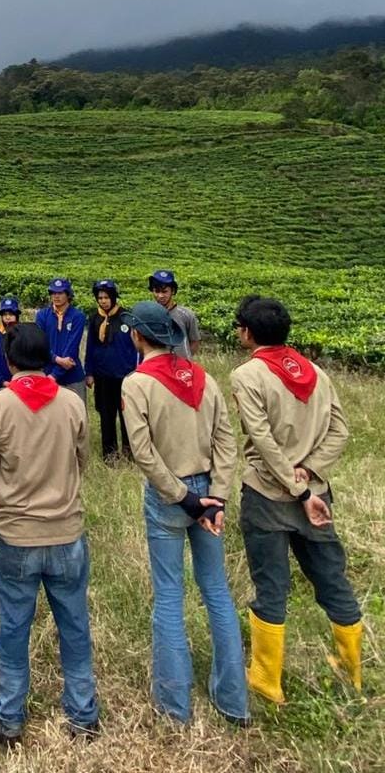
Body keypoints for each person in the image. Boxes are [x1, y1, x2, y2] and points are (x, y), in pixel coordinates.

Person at [120, 302, 248, 726]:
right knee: (217, 593)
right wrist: (218, 495)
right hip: (210, 493)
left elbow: (143, 452)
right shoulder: (205, 379)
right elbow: (227, 442)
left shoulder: (136, 383)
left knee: (170, 596)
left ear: (139, 336)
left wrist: (182, 497)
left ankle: (175, 707)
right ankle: (234, 701)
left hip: (169, 497)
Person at [231, 296, 361, 703]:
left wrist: (295, 483)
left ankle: (267, 681)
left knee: (271, 585)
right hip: (317, 495)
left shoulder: (246, 375)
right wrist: (311, 471)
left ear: (248, 333)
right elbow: (340, 431)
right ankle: (350, 670)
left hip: (270, 495)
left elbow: (263, 441)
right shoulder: (317, 373)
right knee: (331, 577)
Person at [0, 323, 99, 748]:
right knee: (75, 625)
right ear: (49, 357)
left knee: (13, 627)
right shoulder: (71, 404)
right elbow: (82, 459)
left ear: (9, 360)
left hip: (14, 535)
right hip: (66, 531)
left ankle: (9, 716)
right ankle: (83, 714)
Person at [84, 279, 137, 461]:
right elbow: (90, 346)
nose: (103, 301)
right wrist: (89, 372)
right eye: (100, 298)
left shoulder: (126, 317)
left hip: (124, 375)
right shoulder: (94, 318)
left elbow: (135, 346)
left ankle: (129, 452)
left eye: (107, 297)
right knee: (106, 415)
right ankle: (110, 454)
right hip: (103, 375)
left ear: (114, 298)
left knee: (126, 416)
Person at [35, 277, 87, 402]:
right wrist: (57, 360)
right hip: (47, 373)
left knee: (77, 416)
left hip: (72, 376)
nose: (56, 296)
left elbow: (72, 349)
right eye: (53, 293)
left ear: (68, 294)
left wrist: (55, 375)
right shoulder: (42, 315)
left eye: (60, 293)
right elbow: (40, 345)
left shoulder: (78, 316)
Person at [148, 270, 201, 360]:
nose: (160, 296)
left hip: (183, 368)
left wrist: (184, 359)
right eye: (157, 291)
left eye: (164, 292)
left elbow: (194, 342)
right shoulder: (148, 315)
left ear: (172, 291)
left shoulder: (186, 315)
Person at [0, 296, 20, 392]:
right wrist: (2, 381)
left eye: (11, 314)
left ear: (17, 315)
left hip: (19, 382)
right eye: (5, 314)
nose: (8, 317)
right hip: (0, 383)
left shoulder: (22, 331)